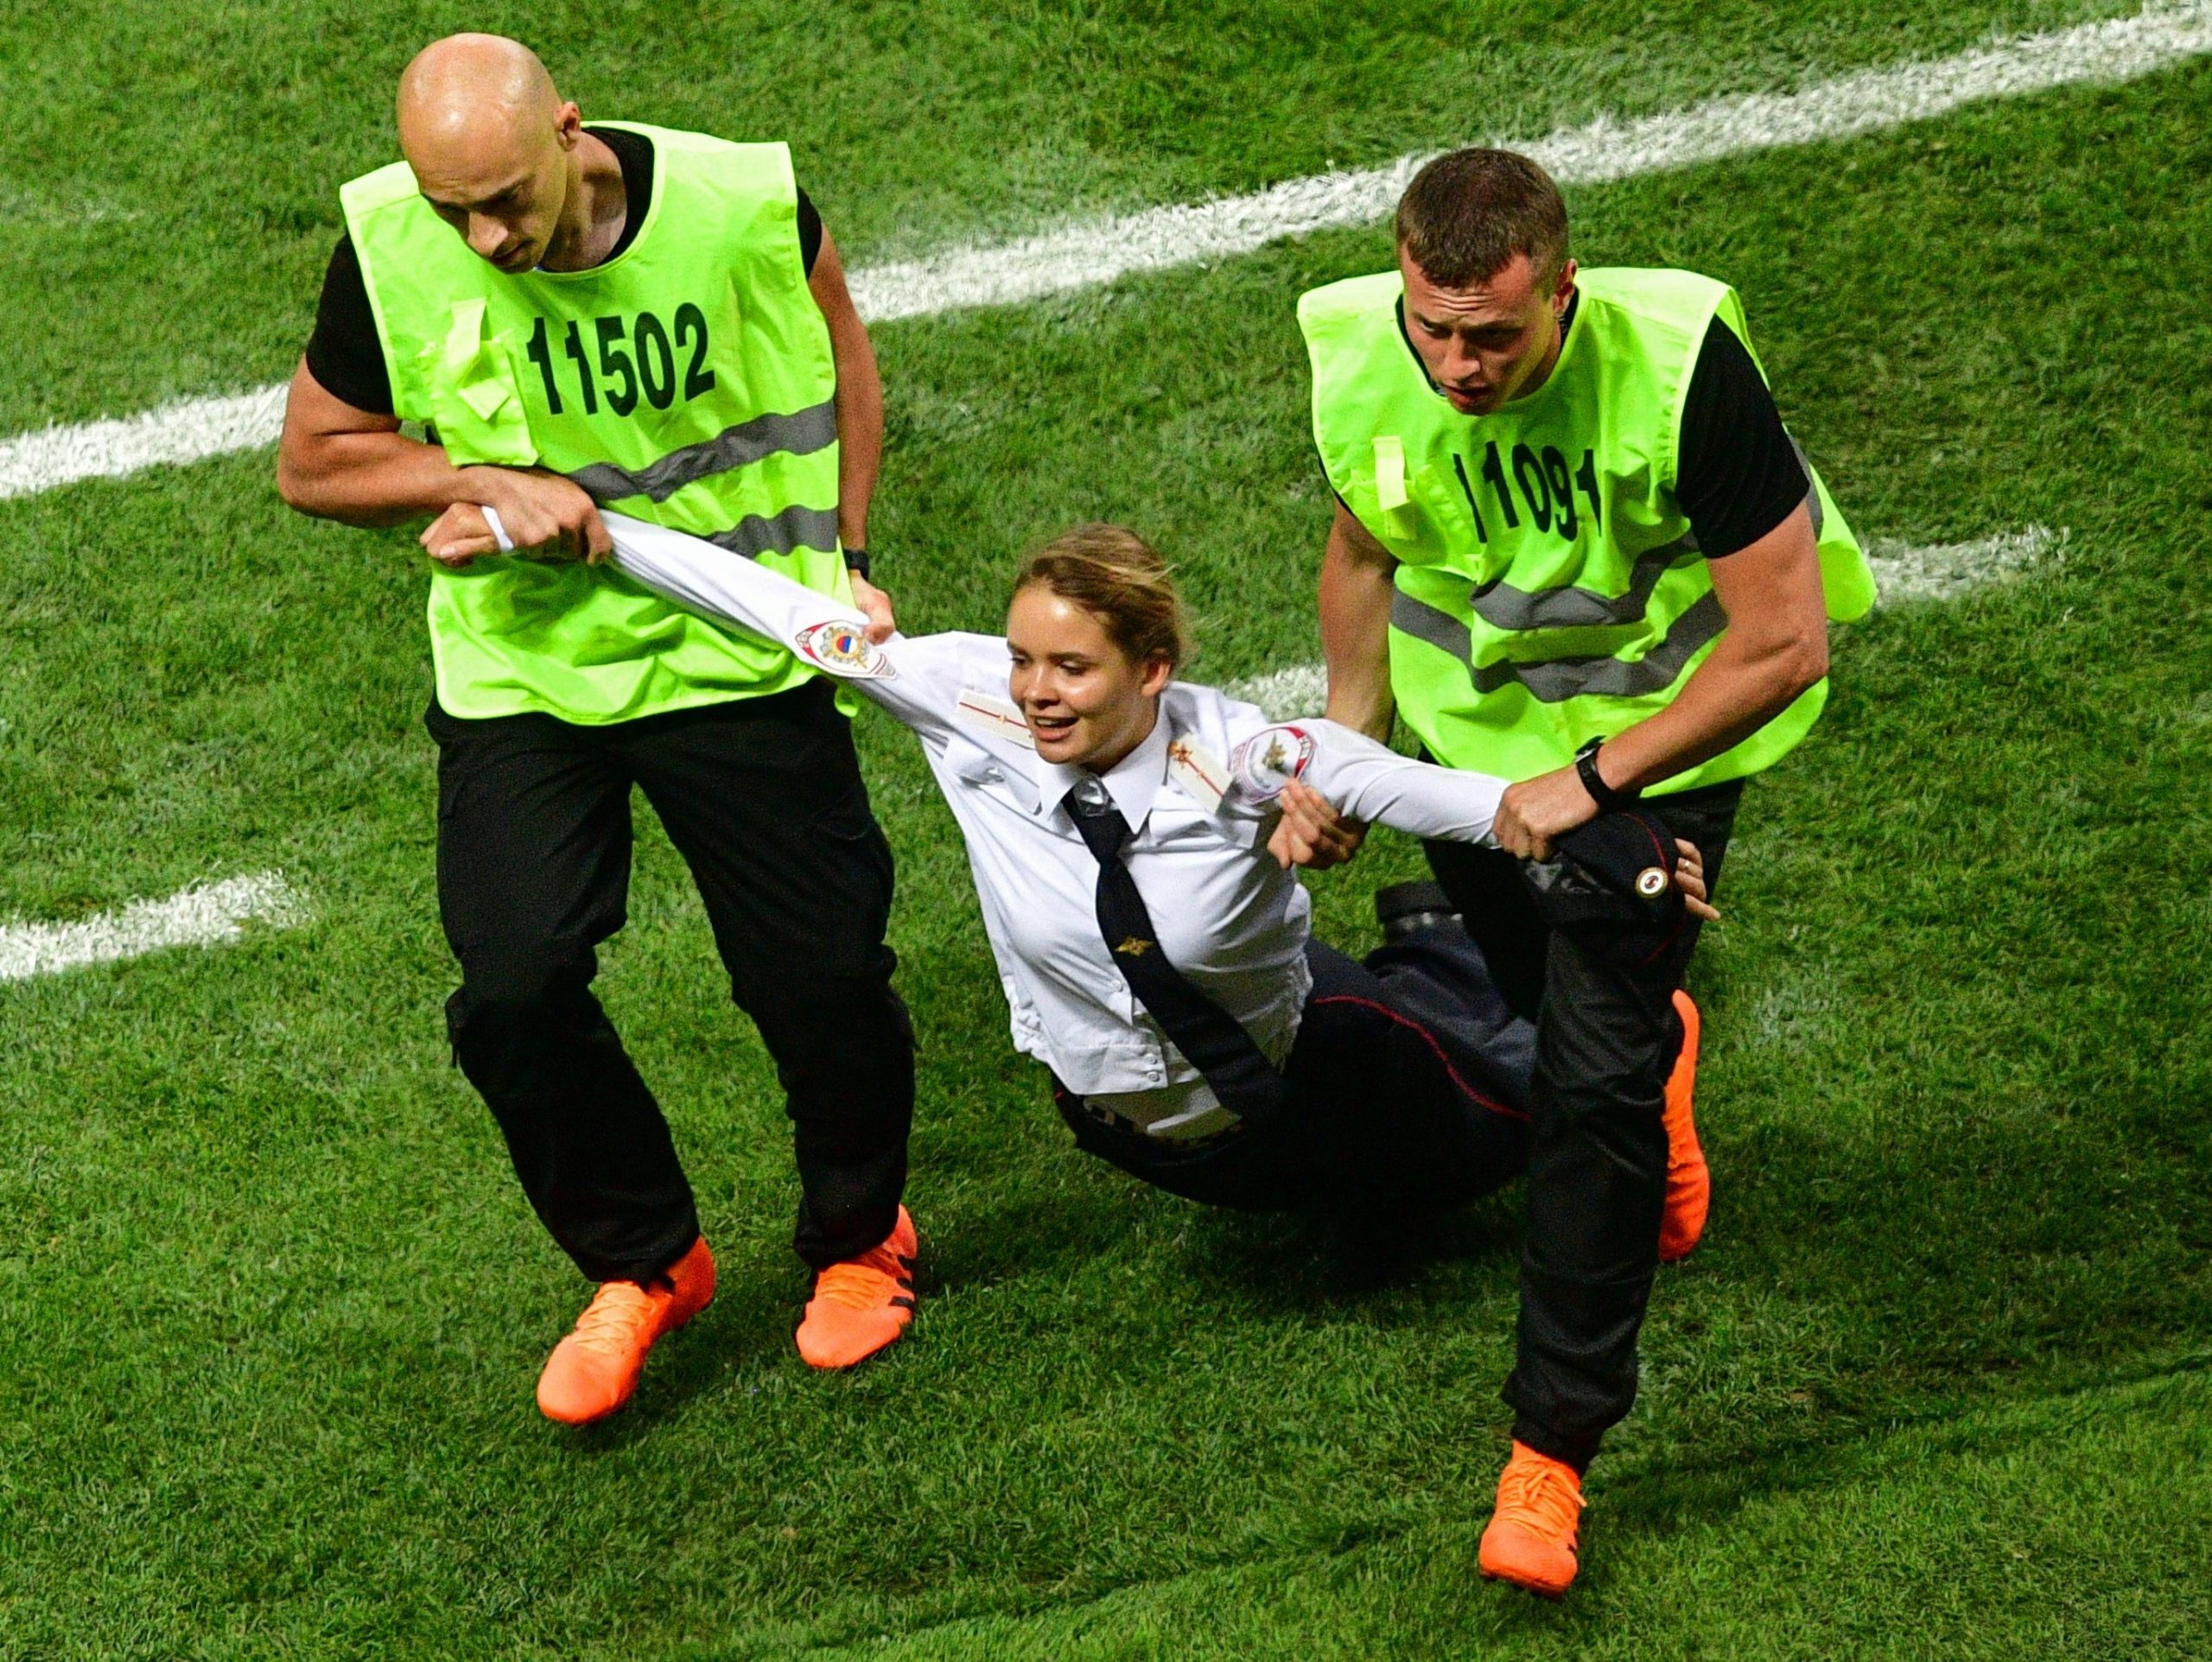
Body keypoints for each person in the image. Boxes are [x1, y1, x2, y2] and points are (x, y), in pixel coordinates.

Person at [428, 504, 1713, 1255]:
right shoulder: (962, 696)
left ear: (1152, 668)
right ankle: (1436, 942)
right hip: (1132, 1135)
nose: (1037, 691)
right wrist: (580, 534)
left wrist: (1633, 847)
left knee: (1517, 1138)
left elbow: (1493, 807)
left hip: (1312, 1078)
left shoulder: (1259, 755)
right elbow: (758, 606)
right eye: (1027, 658)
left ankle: (1642, 1044)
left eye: (1073, 669)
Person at [274, 34, 919, 1427]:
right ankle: (645, 1261)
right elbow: (314, 462)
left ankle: (864, 1237)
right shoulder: (391, 247)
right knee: (511, 990)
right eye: (456, 211)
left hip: (740, 648)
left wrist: (854, 551)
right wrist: (479, 477)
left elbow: (843, 357)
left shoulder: (744, 202)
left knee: (818, 975)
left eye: (507, 200)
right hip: (528, 674)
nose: (485, 238)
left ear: (571, 132)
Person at [1294, 148, 1877, 1592]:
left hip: (1664, 746)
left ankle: (1549, 1457)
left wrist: (1597, 779)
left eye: (1491, 333)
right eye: (1433, 326)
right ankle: (1658, 1047)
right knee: (1551, 1008)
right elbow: (1367, 548)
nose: (1455, 362)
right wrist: (1351, 745)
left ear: (1564, 286)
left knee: (1589, 1087)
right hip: (1467, 753)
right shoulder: (1369, 352)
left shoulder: (1682, 368)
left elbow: (1783, 641)